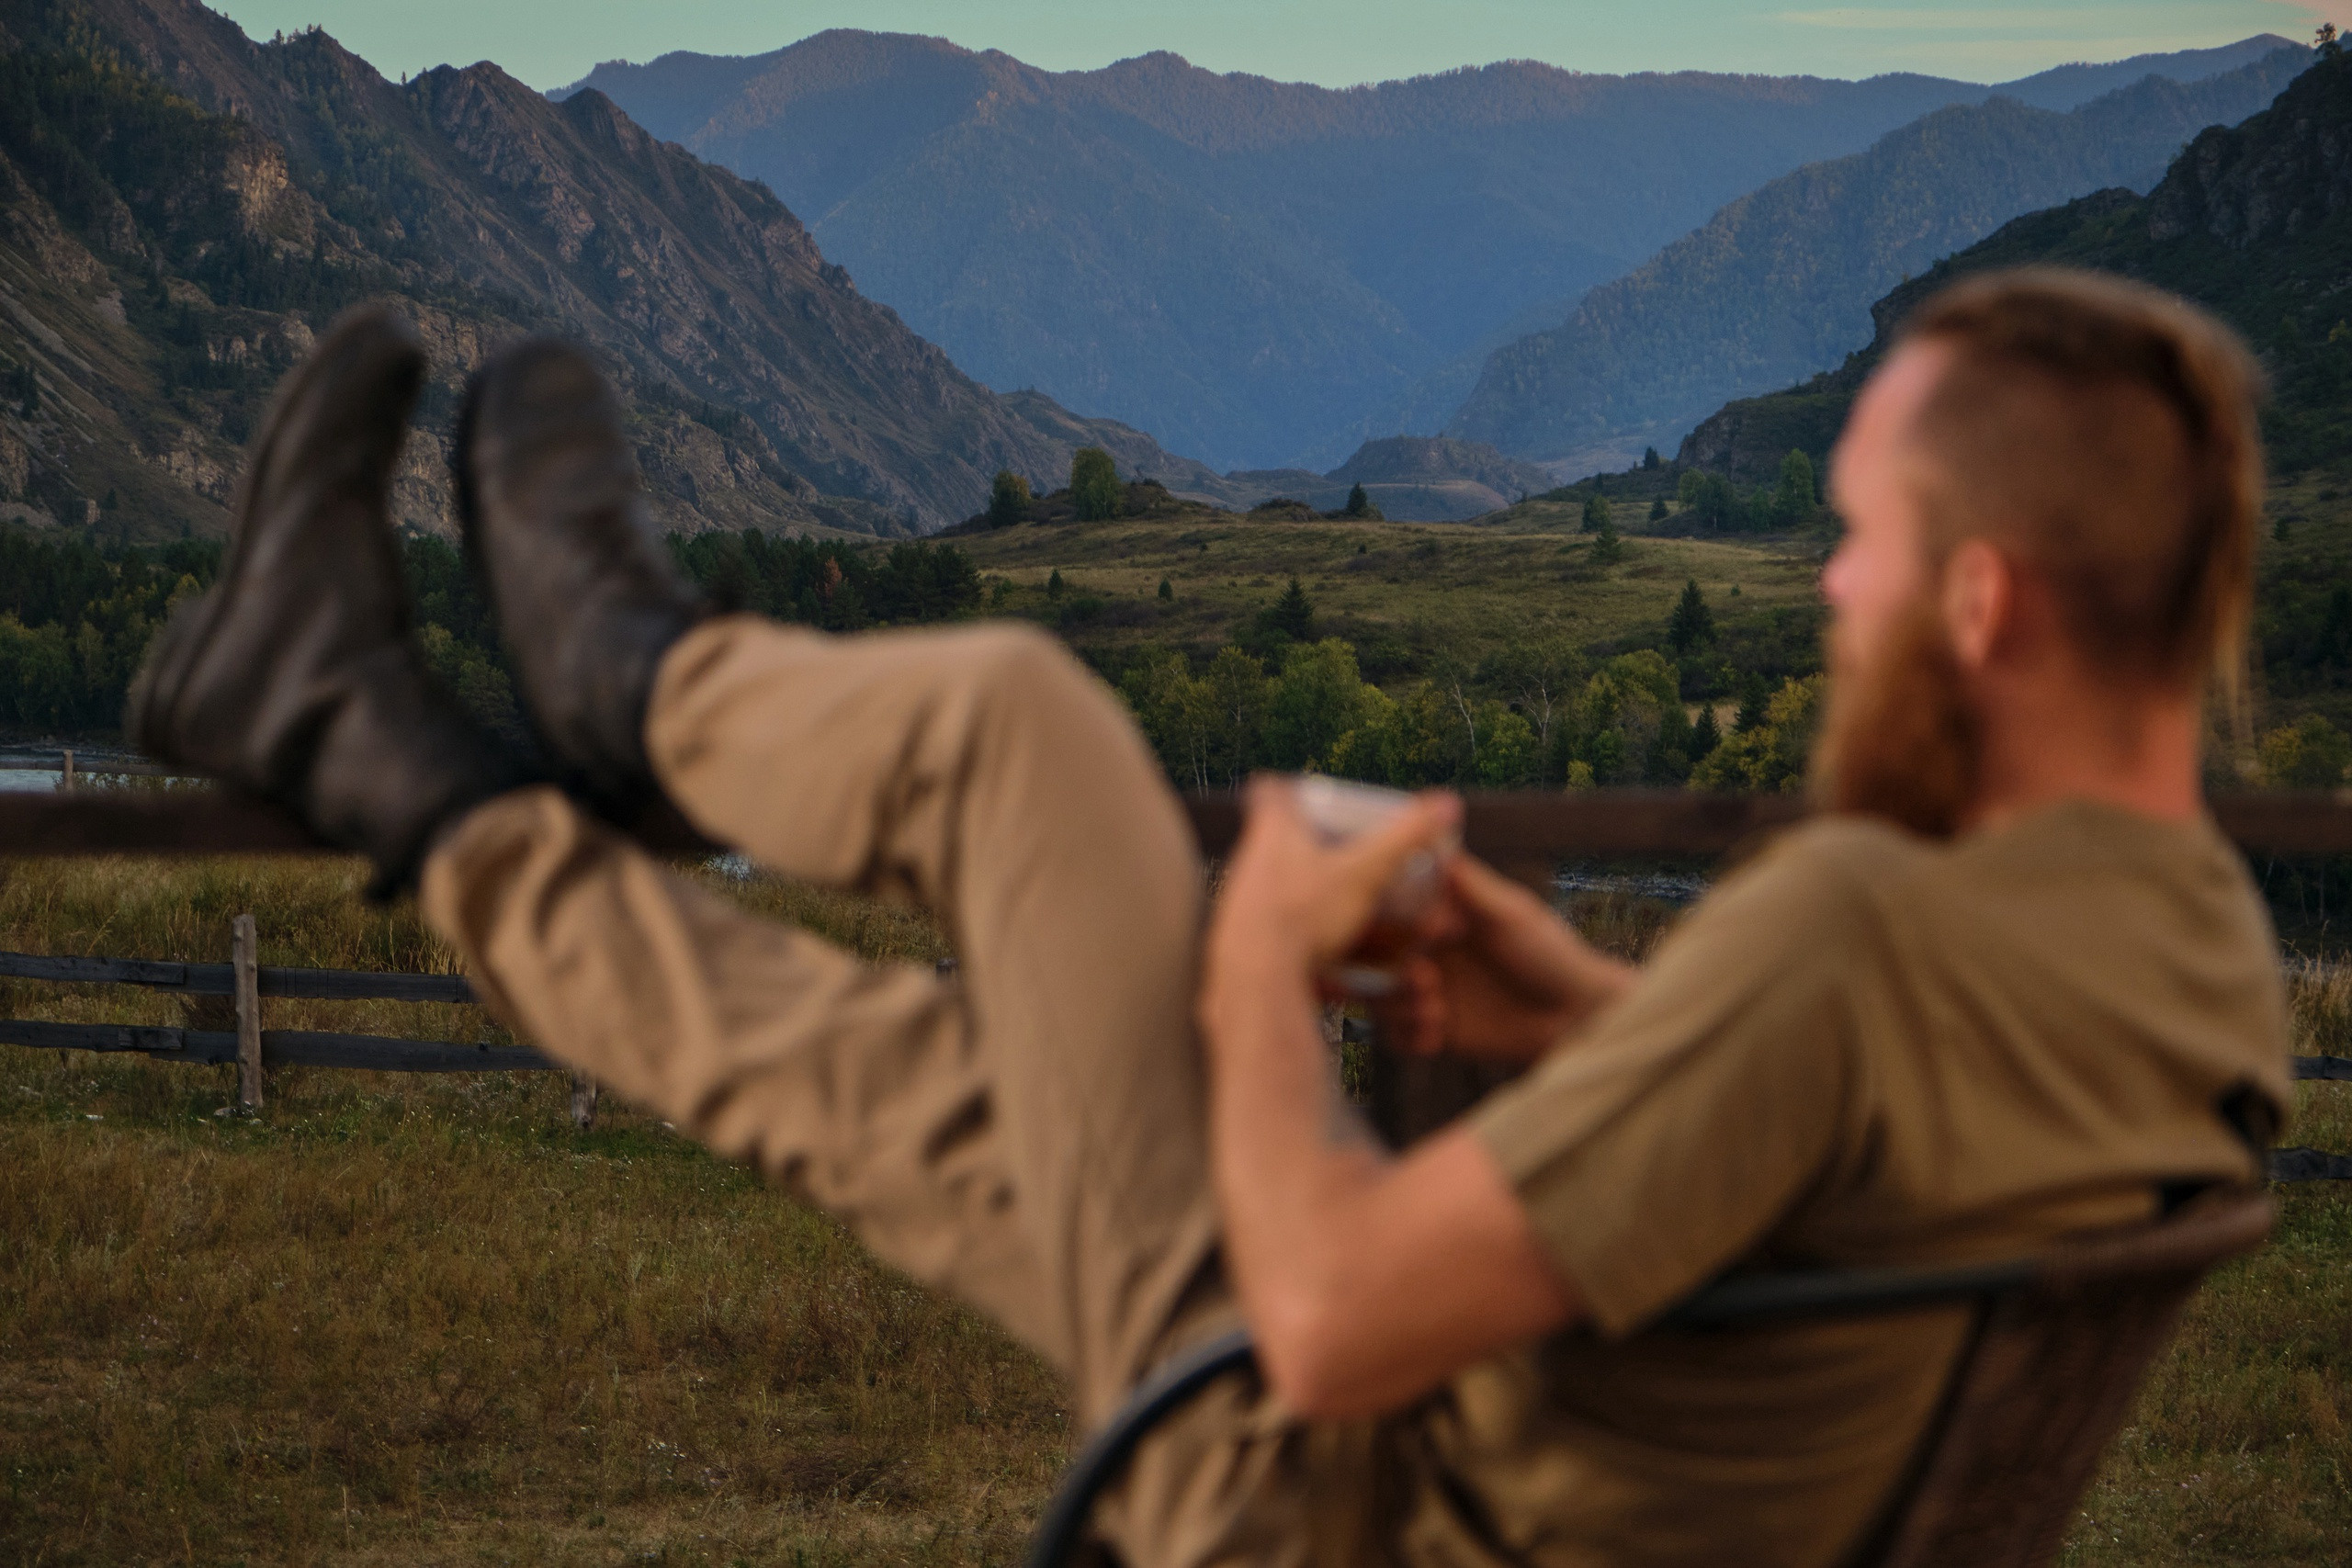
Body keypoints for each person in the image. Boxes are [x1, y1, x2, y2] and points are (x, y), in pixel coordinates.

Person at [130, 266, 2290, 1568]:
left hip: (1326, 1487)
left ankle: (621, 681)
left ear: (1981, 602)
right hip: (1532, 1489)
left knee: (1007, 722)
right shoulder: (2178, 942)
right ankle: (372, 732)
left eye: (1853, 546)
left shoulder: (1861, 934)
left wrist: (1255, 956)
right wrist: (1574, 1004)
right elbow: (1847, 1161)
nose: (1824, 592)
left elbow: (1342, 1314)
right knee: (932, 1082)